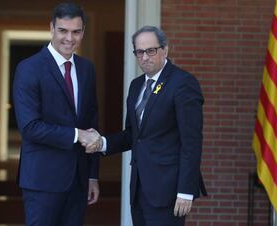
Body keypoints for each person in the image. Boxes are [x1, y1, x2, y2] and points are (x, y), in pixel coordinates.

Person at [86, 25, 207, 226]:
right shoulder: (136, 86)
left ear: (165, 50)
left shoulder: (183, 83)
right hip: (139, 189)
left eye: (151, 50)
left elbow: (192, 142)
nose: (145, 57)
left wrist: (185, 191)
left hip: (169, 191)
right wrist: (102, 142)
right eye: (139, 52)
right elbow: (132, 135)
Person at [13, 2, 101, 225]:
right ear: (51, 28)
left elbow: (91, 122)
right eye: (63, 30)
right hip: (42, 180)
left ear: (83, 32)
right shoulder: (29, 68)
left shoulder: (87, 69)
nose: (69, 38)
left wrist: (92, 175)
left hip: (79, 181)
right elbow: (30, 127)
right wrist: (77, 135)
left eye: (76, 32)